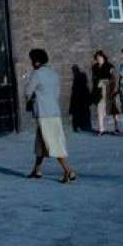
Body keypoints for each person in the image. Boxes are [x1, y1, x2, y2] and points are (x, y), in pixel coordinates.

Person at [25, 48, 77, 183]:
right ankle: (37, 170)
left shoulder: (36, 74)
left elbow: (27, 92)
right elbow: (57, 93)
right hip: (54, 111)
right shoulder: (54, 74)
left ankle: (69, 171)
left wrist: (32, 98)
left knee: (53, 143)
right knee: (40, 144)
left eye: (32, 60)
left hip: (43, 113)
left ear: (36, 62)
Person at [91, 50, 120, 135]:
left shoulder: (109, 66)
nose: (99, 59)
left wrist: (106, 84)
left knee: (113, 108)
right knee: (99, 108)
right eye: (97, 58)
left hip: (109, 89)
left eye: (100, 57)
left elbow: (113, 78)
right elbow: (93, 78)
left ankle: (116, 127)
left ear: (103, 57)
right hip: (99, 91)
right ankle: (101, 129)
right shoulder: (94, 67)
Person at [69, 65, 92, 132]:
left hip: (77, 98)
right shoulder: (82, 76)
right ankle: (84, 126)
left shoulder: (77, 77)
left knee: (77, 114)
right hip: (82, 98)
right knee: (84, 113)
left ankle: (77, 126)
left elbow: (75, 89)